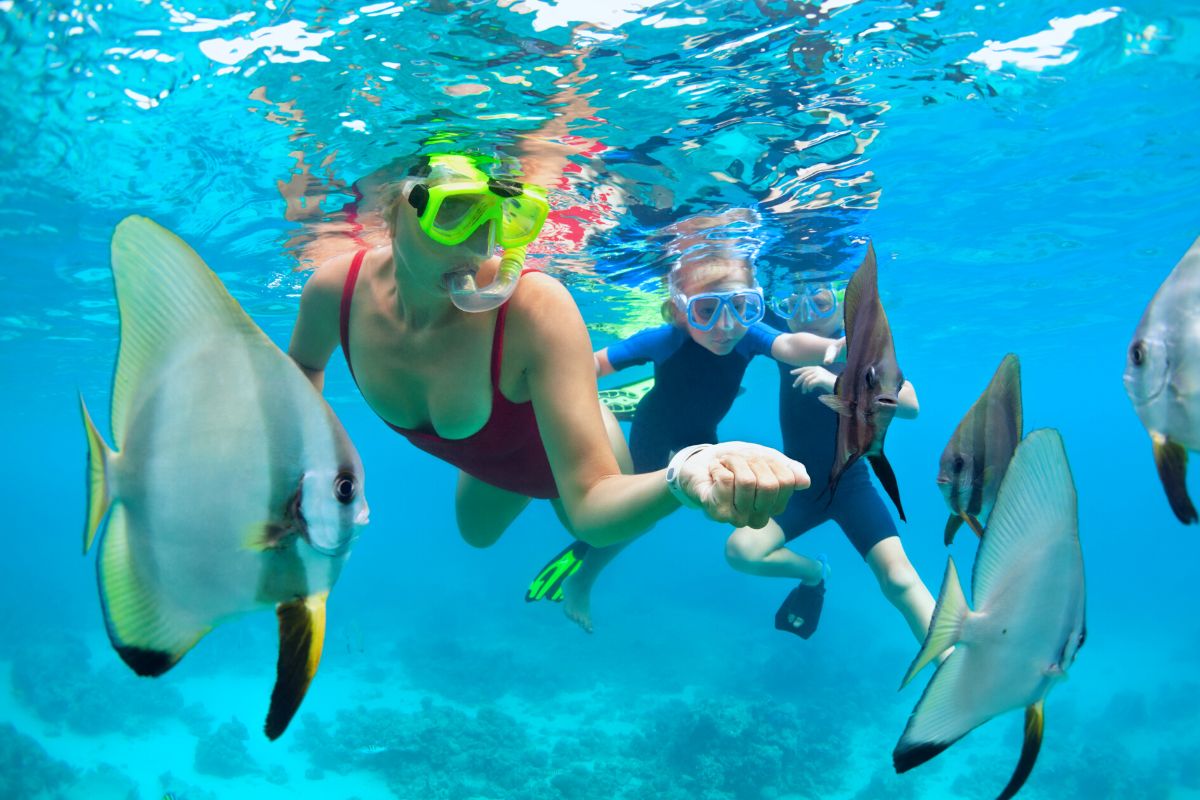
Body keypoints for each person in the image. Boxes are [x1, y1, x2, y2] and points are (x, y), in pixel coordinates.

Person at [286, 152, 811, 606]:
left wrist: (686, 471)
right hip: (490, 451)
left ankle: (591, 411)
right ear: (393, 211)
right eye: (454, 210)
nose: (481, 247)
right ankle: (578, 398)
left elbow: (595, 505)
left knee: (597, 530)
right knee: (476, 537)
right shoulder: (337, 289)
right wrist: (313, 464)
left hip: (557, 458)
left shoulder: (534, 308)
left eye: (504, 217)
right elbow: (305, 368)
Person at [528, 221, 845, 631]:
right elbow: (592, 365)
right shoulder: (664, 339)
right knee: (640, 515)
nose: (726, 324)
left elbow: (786, 346)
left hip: (701, 437)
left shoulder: (747, 336)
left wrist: (834, 347)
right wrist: (544, 389)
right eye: (707, 310)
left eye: (743, 307)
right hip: (655, 426)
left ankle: (590, 559)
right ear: (679, 310)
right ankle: (583, 577)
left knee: (698, 500)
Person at [724, 278, 936, 642]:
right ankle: (814, 573)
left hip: (850, 488)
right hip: (800, 487)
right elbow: (730, 314)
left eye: (820, 302)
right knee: (741, 552)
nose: (805, 315)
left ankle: (952, 662)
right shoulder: (785, 338)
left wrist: (835, 382)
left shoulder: (861, 347)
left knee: (899, 579)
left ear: (840, 305)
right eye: (793, 304)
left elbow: (912, 405)